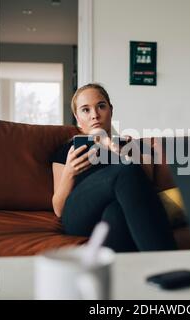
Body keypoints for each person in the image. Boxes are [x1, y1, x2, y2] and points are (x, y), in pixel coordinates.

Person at [50, 83, 177, 252]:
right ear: (77, 117)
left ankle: (126, 272)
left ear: (111, 110)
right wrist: (69, 172)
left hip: (114, 213)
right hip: (79, 216)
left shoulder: (133, 146)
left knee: (116, 212)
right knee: (126, 170)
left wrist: (121, 152)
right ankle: (168, 263)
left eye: (101, 106)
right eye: (86, 110)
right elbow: (59, 210)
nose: (94, 115)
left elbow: (143, 196)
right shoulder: (69, 150)